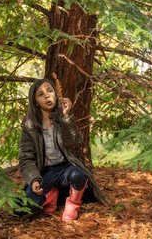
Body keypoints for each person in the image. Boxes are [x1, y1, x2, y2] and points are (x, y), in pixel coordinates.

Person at [18, 78, 106, 222]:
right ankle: (51, 195)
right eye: (40, 94)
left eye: (50, 91)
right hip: (45, 172)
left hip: (65, 169)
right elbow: (26, 158)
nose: (47, 96)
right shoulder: (30, 126)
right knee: (26, 205)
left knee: (78, 175)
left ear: (56, 95)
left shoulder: (62, 118)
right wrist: (34, 179)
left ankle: (73, 204)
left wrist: (66, 117)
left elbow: (74, 142)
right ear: (35, 101)